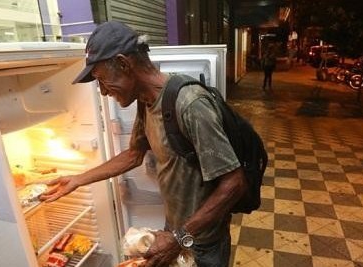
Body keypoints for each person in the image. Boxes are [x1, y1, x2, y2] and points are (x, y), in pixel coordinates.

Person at [39, 21, 247, 267]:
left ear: (124, 64)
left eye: (102, 79)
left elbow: (235, 183)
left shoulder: (190, 104)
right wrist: (78, 179)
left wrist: (179, 237)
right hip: (176, 231)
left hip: (203, 242)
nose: (104, 92)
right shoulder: (146, 100)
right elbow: (134, 155)